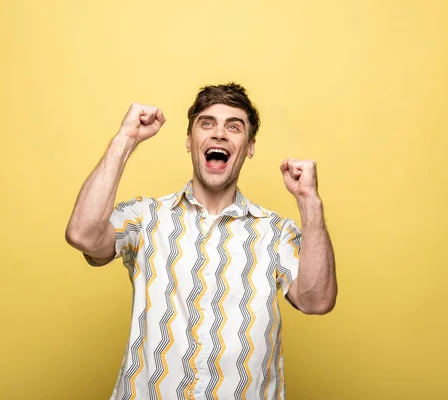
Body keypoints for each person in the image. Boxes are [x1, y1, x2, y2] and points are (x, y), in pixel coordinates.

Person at [65, 83, 337, 400]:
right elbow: (82, 234)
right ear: (189, 140)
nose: (219, 134)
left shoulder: (275, 232)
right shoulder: (145, 217)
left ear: (249, 146)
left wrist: (309, 201)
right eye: (207, 123)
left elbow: (317, 300)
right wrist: (125, 140)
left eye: (234, 126)